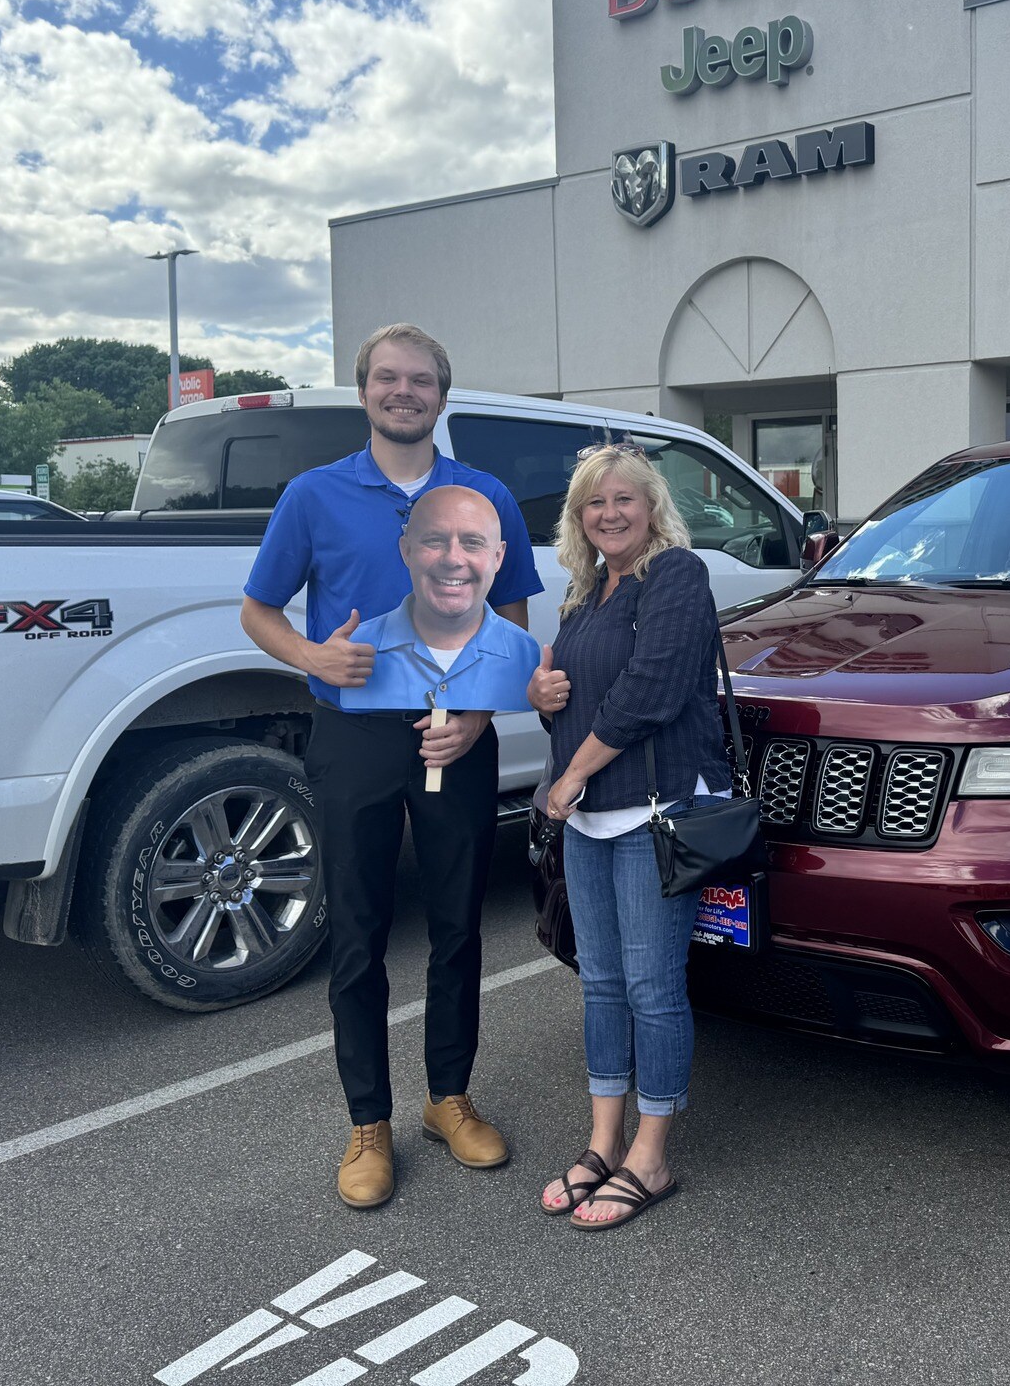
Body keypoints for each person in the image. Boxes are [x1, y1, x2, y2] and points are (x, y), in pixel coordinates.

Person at [239, 322, 542, 1210]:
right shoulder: (314, 495)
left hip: (458, 734)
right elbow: (259, 610)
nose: (402, 391)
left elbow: (512, 614)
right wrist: (311, 657)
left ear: (441, 396)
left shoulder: (484, 496)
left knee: (456, 927)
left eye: (419, 380)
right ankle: (368, 1120)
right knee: (360, 932)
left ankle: (448, 1099)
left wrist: (482, 711)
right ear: (364, 390)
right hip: (356, 735)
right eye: (386, 378)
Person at [527, 441, 732, 1232]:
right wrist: (541, 695)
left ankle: (652, 1156)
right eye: (594, 503)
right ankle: (603, 1143)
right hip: (588, 819)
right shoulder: (584, 592)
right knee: (602, 983)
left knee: (653, 987)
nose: (609, 514)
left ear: (652, 509)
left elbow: (651, 692)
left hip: (654, 813)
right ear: (579, 517)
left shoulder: (677, 575)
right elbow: (571, 696)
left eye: (624, 500)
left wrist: (570, 774)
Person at [343, 486, 539, 715]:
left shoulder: (524, 651)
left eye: (473, 542)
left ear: (498, 556)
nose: (453, 559)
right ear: (406, 551)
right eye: (435, 541)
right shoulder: (361, 645)